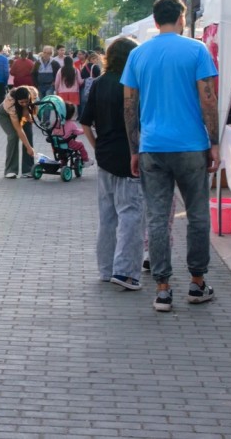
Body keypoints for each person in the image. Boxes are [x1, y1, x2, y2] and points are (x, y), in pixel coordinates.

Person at [121, 0, 220, 313]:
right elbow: (208, 100)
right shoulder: (197, 50)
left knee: (158, 218)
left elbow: (129, 106)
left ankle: (163, 288)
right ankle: (197, 282)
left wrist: (134, 149)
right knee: (197, 216)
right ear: (182, 18)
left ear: (154, 20)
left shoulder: (137, 55)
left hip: (153, 147)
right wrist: (214, 142)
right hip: (191, 145)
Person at [80, 37, 145, 291]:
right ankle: (126, 271)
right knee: (131, 213)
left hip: (106, 156)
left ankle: (106, 269)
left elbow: (85, 121)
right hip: (130, 156)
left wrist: (97, 147)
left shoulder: (99, 83)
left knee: (107, 216)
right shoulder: (133, 84)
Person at [0, 85, 38, 178]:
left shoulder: (33, 92)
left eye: (26, 101)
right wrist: (29, 147)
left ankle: (28, 169)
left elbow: (33, 107)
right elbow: (19, 129)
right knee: (13, 136)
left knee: (29, 134)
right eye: (21, 102)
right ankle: (10, 170)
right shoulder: (10, 103)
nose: (24, 103)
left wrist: (28, 115)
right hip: (5, 115)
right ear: (17, 100)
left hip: (23, 113)